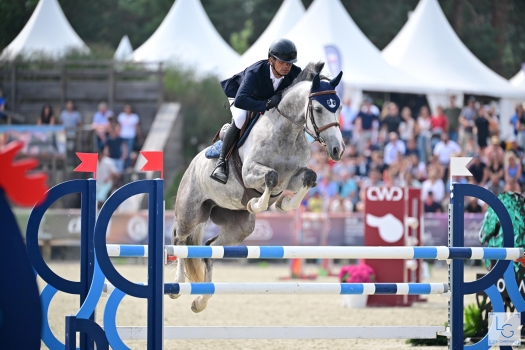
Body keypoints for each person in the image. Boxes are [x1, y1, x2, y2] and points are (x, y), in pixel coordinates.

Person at [212, 38, 302, 184]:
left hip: (265, 99)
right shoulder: (256, 72)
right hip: (241, 96)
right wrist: (265, 105)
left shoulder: (295, 73)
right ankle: (221, 163)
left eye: (290, 63)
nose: (287, 66)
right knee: (240, 119)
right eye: (282, 62)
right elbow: (241, 100)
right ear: (271, 60)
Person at [117, 104, 142, 169]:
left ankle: (128, 166)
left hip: (131, 136)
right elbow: (119, 126)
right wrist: (118, 135)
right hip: (123, 136)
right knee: (122, 152)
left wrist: (139, 137)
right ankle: (122, 167)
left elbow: (137, 127)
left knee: (129, 152)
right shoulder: (121, 116)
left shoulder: (134, 117)